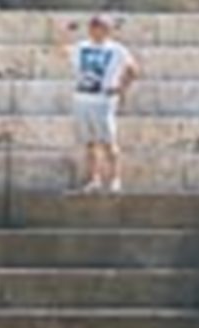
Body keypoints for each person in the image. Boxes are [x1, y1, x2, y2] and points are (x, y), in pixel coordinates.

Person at [56, 14, 139, 195]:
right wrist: (64, 32)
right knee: (90, 143)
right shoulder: (82, 47)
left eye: (100, 27)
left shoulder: (117, 50)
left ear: (107, 30)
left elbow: (133, 69)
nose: (95, 30)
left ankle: (116, 179)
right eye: (93, 27)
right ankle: (94, 179)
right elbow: (62, 51)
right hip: (82, 99)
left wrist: (120, 87)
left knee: (109, 142)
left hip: (103, 100)